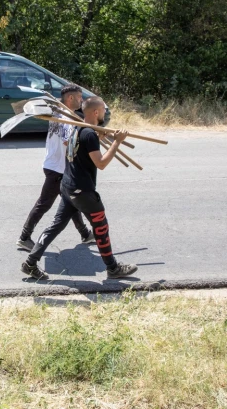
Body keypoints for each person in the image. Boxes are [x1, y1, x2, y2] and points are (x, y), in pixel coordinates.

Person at [20, 96, 137, 280]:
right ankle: (113, 268)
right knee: (101, 227)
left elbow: (75, 147)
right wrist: (117, 142)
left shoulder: (77, 127)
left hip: (68, 186)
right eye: (104, 111)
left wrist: (98, 137)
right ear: (96, 112)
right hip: (83, 191)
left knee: (55, 226)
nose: (105, 114)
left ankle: (30, 263)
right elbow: (101, 163)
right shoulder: (89, 133)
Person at [17, 84, 92, 251]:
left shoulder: (60, 113)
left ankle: (85, 234)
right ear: (71, 98)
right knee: (44, 203)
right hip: (57, 168)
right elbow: (68, 142)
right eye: (80, 97)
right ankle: (24, 237)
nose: (82, 100)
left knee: (71, 202)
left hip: (58, 166)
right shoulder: (65, 118)